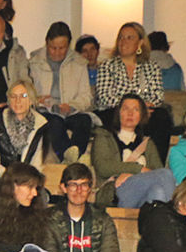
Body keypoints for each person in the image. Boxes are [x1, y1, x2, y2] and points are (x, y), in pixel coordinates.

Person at [45, 163, 121, 252]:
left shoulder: (102, 219)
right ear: (63, 188)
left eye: (84, 185)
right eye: (73, 185)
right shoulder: (49, 219)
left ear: (90, 188)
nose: (79, 190)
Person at [94, 21, 172, 158]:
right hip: (114, 111)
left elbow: (157, 96)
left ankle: (155, 165)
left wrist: (139, 110)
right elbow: (105, 97)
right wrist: (134, 108)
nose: (124, 41)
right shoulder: (107, 66)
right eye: (121, 38)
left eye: (129, 38)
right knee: (122, 116)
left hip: (144, 113)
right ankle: (124, 162)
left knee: (162, 116)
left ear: (140, 43)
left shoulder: (151, 67)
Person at [89, 93, 175, 208]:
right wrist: (138, 169)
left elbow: (156, 170)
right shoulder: (104, 136)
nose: (130, 113)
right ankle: (174, 217)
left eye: (136, 109)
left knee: (158, 192)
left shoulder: (147, 143)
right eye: (125, 109)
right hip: (115, 193)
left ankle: (161, 224)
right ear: (118, 113)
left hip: (140, 197)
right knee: (166, 174)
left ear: (142, 115)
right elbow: (103, 167)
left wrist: (132, 174)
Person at [30, 21, 94, 159]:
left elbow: (85, 96)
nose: (57, 52)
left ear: (69, 46)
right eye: (53, 48)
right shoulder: (34, 62)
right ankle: (69, 157)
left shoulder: (79, 63)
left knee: (84, 120)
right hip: (46, 111)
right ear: (47, 43)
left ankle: (76, 156)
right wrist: (36, 100)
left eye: (62, 48)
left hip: (71, 110)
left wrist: (71, 106)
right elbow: (26, 92)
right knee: (54, 122)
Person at [0, 81, 54, 172]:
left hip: (27, 178)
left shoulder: (41, 125)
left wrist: (26, 180)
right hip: (1, 177)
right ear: (9, 100)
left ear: (31, 100)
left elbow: (38, 162)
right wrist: (6, 176)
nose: (17, 101)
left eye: (23, 96)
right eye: (13, 96)